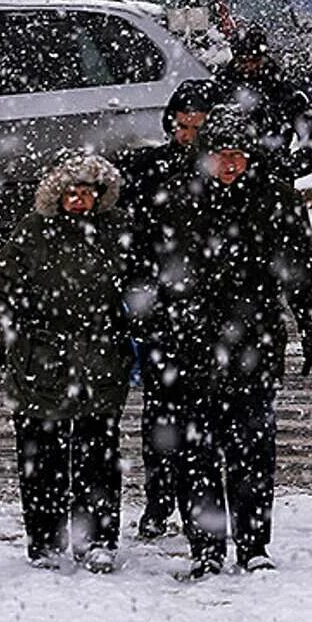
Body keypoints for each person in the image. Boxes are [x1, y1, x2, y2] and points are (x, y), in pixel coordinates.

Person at [143, 107, 312, 578]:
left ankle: (252, 543)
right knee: (198, 452)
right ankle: (206, 547)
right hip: (190, 343)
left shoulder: (275, 199)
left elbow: (303, 273)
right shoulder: (175, 199)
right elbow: (147, 270)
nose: (230, 165)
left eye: (239, 156)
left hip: (255, 342)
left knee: (252, 448)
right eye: (221, 156)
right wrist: (148, 326)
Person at [0, 154, 132, 572]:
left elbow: (141, 288)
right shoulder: (32, 233)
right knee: (41, 460)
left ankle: (97, 538)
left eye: (87, 193)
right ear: (57, 195)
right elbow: (0, 293)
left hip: (100, 361)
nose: (79, 201)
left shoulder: (117, 231)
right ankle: (45, 541)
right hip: (40, 361)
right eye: (71, 193)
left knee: (97, 456)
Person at [114, 77, 217, 541]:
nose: (186, 134)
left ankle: (194, 501)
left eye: (195, 126)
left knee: (200, 415)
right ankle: (159, 501)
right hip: (162, 310)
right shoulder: (149, 168)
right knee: (161, 414)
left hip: (206, 312)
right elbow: (132, 240)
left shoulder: (221, 172)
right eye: (180, 125)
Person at [212, 25, 312, 180]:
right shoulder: (220, 89)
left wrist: (284, 168)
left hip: (269, 182)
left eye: (254, 60)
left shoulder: (285, 94)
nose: (248, 67)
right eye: (243, 61)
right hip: (225, 181)